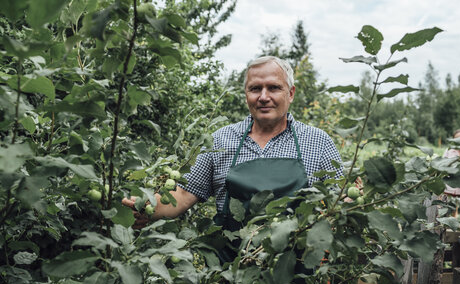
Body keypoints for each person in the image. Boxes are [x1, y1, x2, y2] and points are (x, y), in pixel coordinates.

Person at [123, 55, 343, 230]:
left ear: (291, 93)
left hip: (296, 273)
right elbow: (182, 196)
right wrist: (147, 205)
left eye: (274, 88)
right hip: (230, 275)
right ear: (246, 94)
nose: (264, 97)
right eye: (255, 89)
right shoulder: (221, 140)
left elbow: (338, 204)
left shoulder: (318, 142)